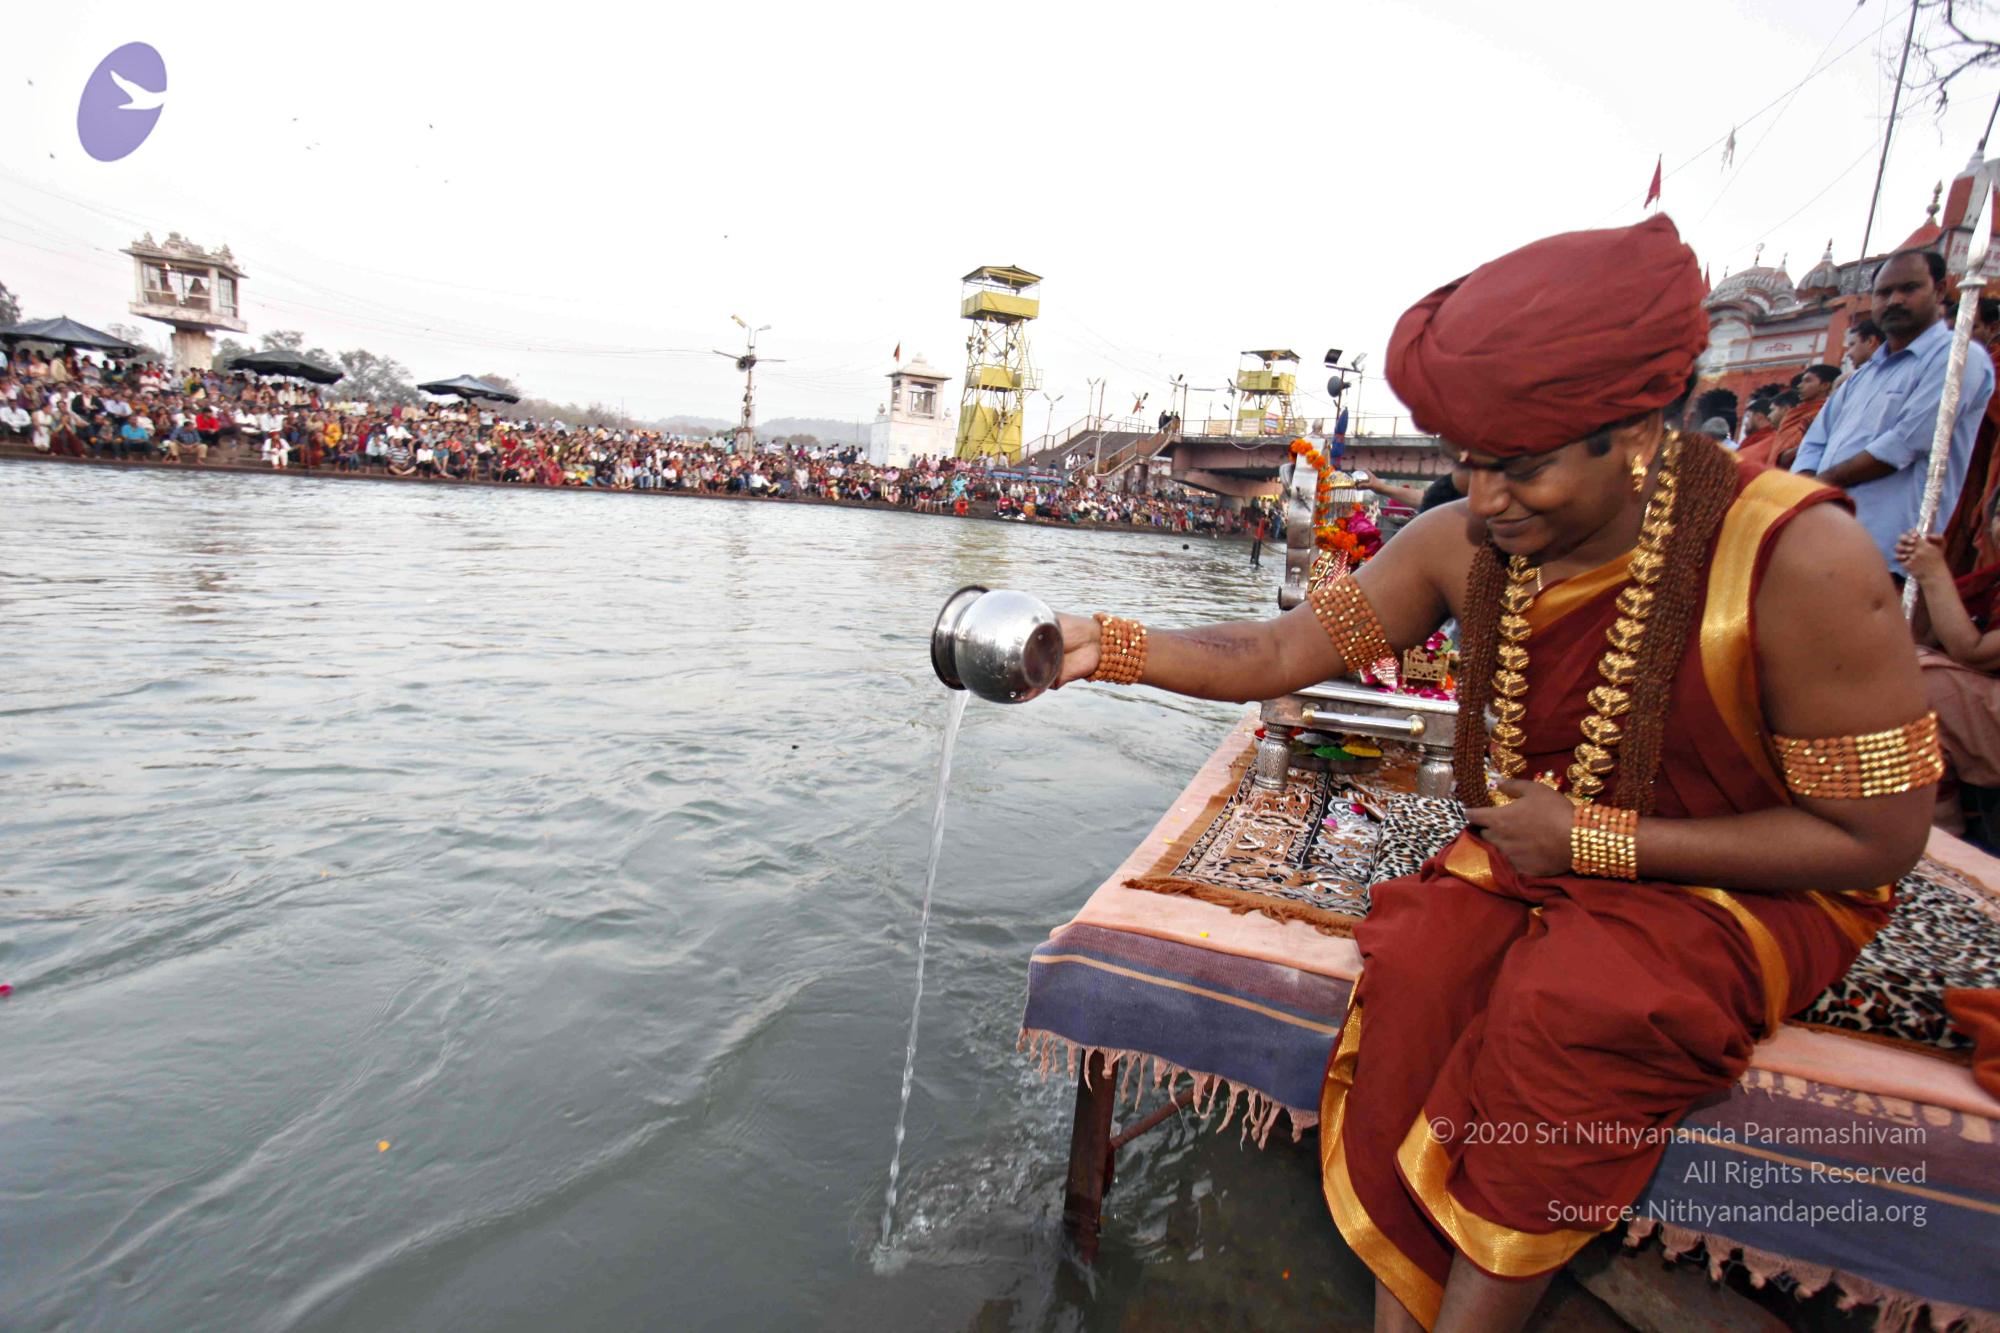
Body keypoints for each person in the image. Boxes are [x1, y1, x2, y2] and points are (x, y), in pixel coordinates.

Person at [1048, 216, 1935, 1333]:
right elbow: (1276, 653)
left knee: (1573, 1009)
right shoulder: (1465, 540)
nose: (1486, 496)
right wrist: (1103, 644)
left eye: (1519, 467)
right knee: (1417, 972)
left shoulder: (1799, 558)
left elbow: (1874, 840)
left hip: (1752, 878)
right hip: (1542, 848)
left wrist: (1593, 841)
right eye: (1469, 461)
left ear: (1636, 435)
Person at [1793, 249, 1997, 576]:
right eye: (1884, 293)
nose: (1894, 300)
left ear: (1939, 291)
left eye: (1909, 288)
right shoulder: (1860, 377)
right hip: (1820, 537)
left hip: (1889, 554)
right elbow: (1815, 442)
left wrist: (1820, 487)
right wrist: (1803, 495)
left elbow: (1904, 444)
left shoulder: (1959, 357)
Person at [1899, 521, 2000, 846]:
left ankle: (1941, 835)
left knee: (1926, 683)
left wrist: (1934, 575)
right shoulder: (1991, 583)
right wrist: (1927, 574)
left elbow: (1973, 652)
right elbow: (1923, 637)